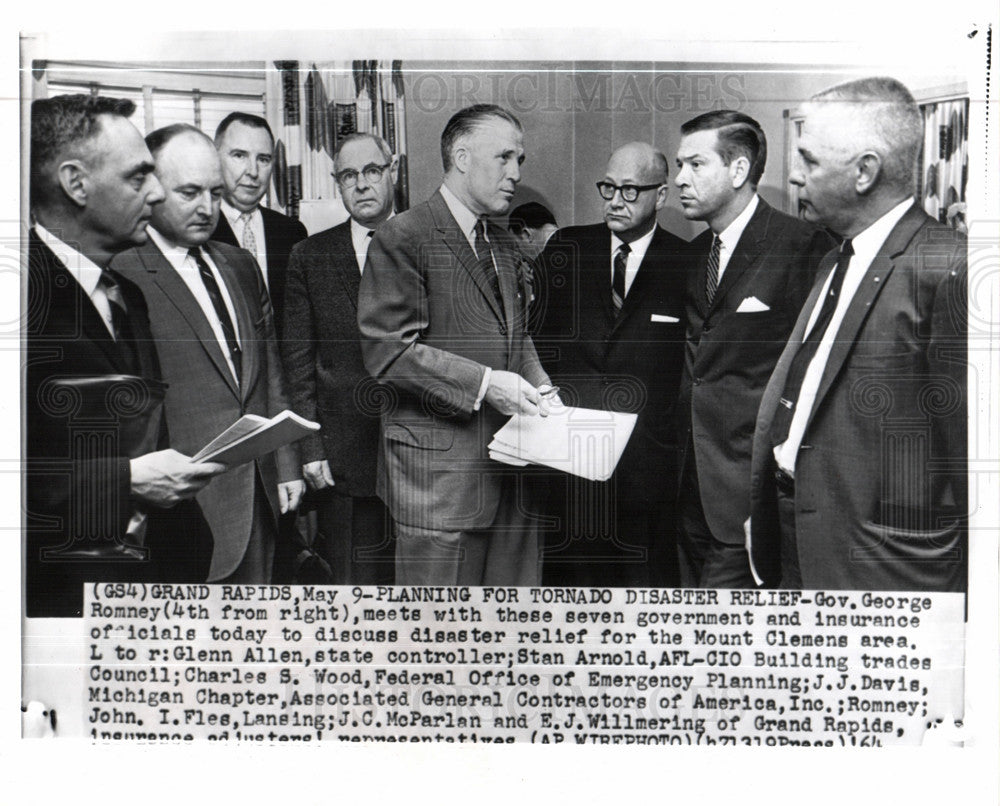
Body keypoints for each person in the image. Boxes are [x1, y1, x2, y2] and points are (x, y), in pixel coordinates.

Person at [748, 77, 967, 592]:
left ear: (865, 171)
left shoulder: (948, 266)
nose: (794, 177)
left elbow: (971, 465)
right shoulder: (834, 258)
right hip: (795, 543)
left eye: (809, 160)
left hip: (884, 574)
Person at [26, 95, 223, 616]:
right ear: (75, 183)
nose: (158, 195)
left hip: (146, 592)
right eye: (139, 178)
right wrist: (128, 480)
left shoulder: (126, 296)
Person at [358, 104, 555, 586]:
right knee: (437, 644)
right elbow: (389, 351)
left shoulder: (503, 243)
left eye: (520, 160)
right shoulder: (403, 236)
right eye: (504, 157)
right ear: (462, 157)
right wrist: (487, 385)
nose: (515, 173)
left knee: (512, 641)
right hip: (439, 488)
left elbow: (516, 333)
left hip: (513, 482)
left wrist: (542, 387)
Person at [113, 124, 305, 584]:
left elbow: (270, 371)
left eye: (216, 194)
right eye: (190, 193)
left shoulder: (239, 265)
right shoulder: (121, 273)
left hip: (260, 500)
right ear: (152, 189)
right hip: (180, 512)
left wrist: (286, 465)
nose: (207, 209)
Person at [673, 111, 833, 588]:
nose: (681, 179)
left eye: (696, 165)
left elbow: (812, 380)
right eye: (681, 165)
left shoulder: (803, 247)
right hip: (688, 492)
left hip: (751, 500)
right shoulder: (698, 252)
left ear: (739, 170)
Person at [534, 142, 687, 587]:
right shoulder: (567, 248)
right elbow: (534, 338)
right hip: (571, 463)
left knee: (644, 596)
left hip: (646, 472)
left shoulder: (686, 261)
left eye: (630, 190)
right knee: (571, 595)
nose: (615, 201)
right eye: (608, 188)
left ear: (660, 196)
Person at [281, 133, 398, 584]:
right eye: (349, 175)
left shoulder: (428, 244)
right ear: (337, 184)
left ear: (392, 172)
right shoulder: (309, 256)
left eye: (372, 171)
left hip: (422, 457)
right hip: (345, 458)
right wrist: (310, 448)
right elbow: (297, 361)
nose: (362, 184)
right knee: (357, 590)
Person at [211, 112, 308, 335]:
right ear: (215, 159)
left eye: (263, 159)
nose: (253, 172)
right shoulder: (200, 233)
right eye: (239, 156)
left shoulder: (292, 232)